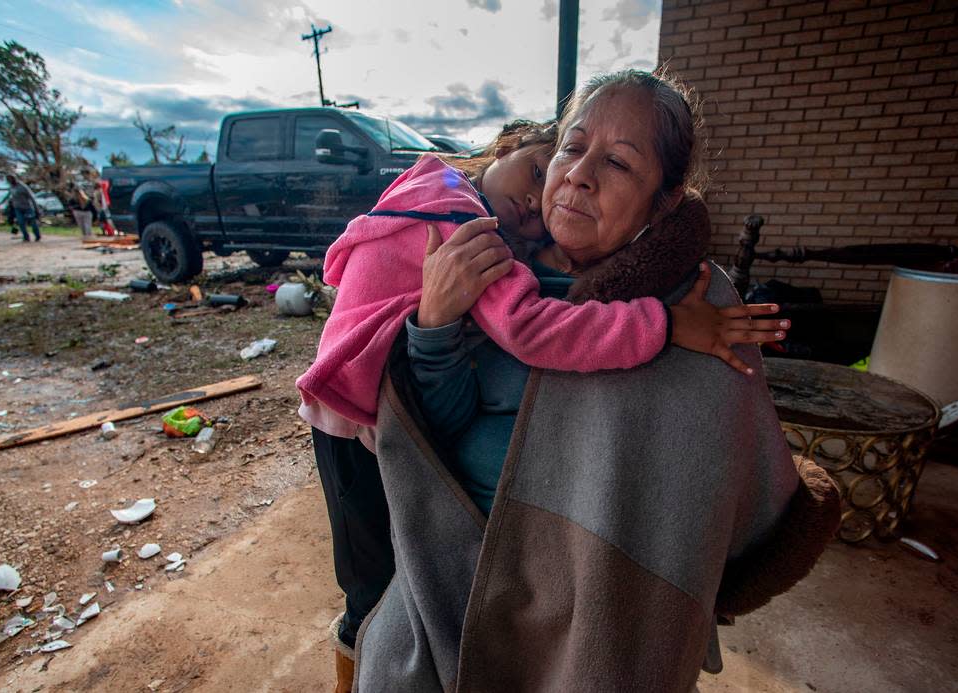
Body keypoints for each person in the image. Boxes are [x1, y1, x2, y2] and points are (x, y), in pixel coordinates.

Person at [355, 69, 840, 690]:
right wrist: (436, 323)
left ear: (663, 200)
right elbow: (437, 434)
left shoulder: (695, 302)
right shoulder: (492, 265)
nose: (579, 175)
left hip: (595, 601)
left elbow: (710, 474)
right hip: (452, 568)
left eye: (618, 162)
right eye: (572, 147)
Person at [5, 174, 41, 242]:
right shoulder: (11, 187)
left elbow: (31, 197)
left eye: (10, 179)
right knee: (21, 223)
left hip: (27, 207)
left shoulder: (23, 187)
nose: (9, 181)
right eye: (8, 180)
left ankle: (37, 236)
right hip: (17, 208)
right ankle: (26, 237)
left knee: (33, 222)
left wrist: (36, 208)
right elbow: (12, 197)